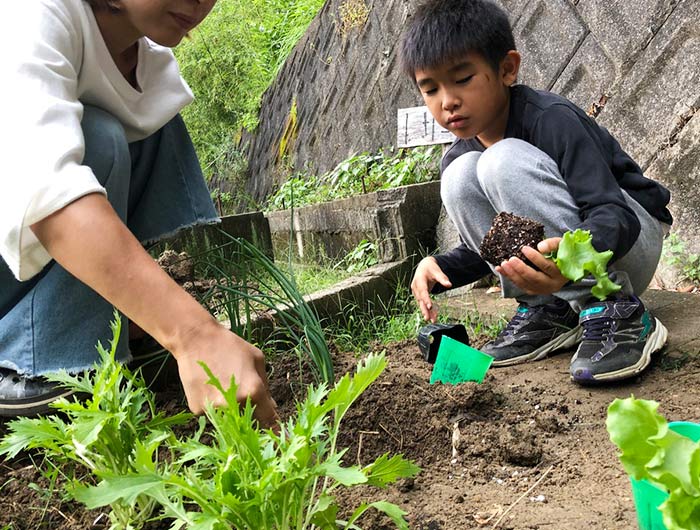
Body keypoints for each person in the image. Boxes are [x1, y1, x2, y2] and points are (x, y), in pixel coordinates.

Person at [0, 0, 278, 424]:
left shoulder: (144, 56)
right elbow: (47, 190)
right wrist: (192, 334)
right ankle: (28, 357)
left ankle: (118, 322)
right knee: (100, 138)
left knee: (153, 123)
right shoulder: (30, 14)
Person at [402, 0, 673, 384]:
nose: (447, 102)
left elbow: (614, 215)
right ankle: (549, 310)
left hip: (630, 241)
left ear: (507, 69)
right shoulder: (462, 156)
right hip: (565, 267)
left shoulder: (552, 120)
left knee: (501, 160)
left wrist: (566, 262)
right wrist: (440, 267)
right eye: (430, 89)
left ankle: (614, 308)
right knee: (459, 175)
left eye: (462, 79)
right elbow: (494, 247)